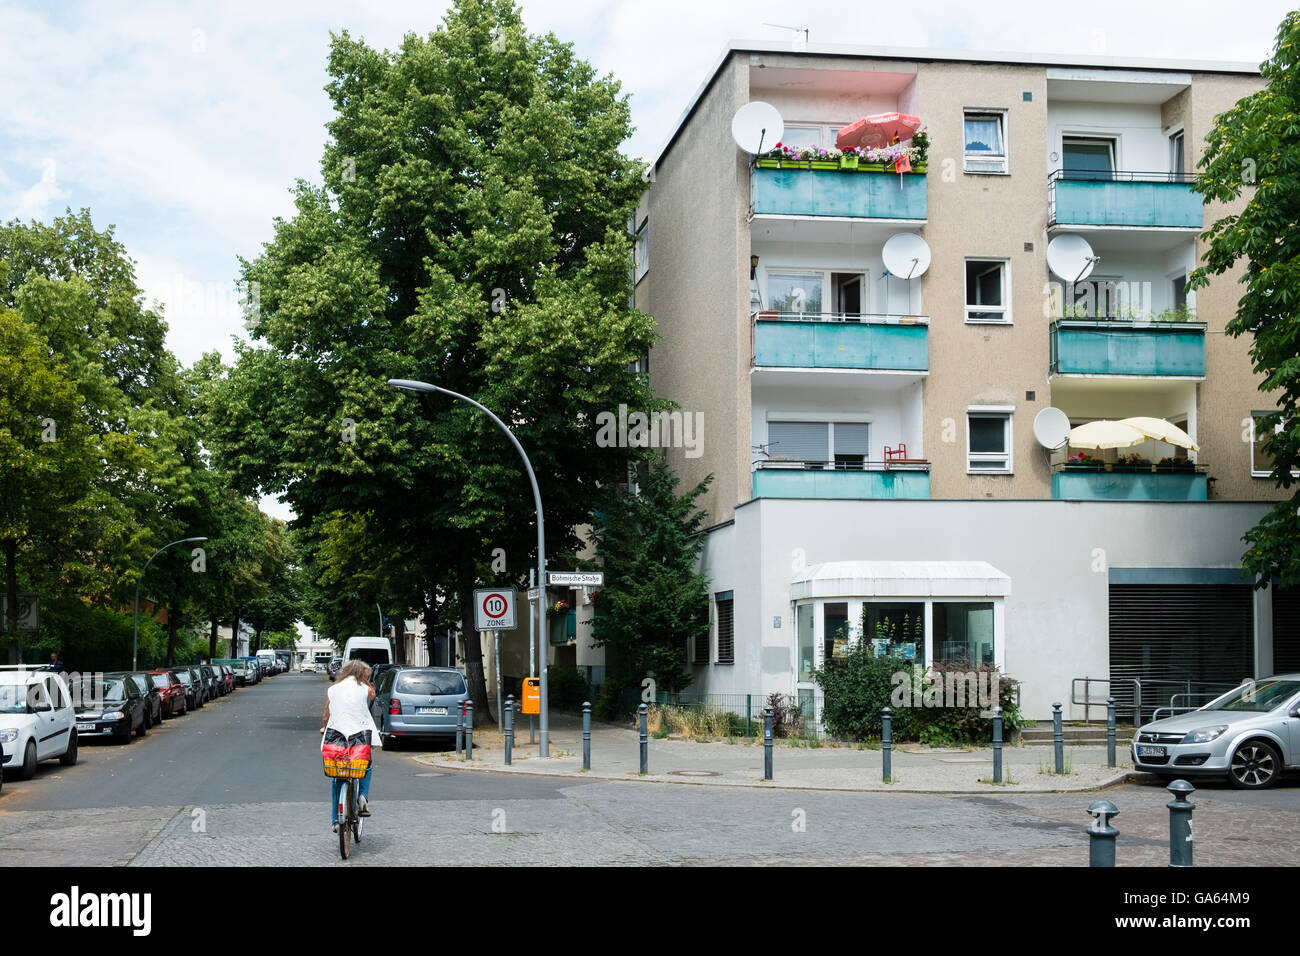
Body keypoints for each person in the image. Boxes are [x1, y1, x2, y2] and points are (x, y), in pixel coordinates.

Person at [320, 659, 382, 832]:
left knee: (337, 775)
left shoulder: (332, 689)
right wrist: (365, 682)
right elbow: (373, 695)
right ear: (362, 674)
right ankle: (362, 796)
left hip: (336, 736)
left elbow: (327, 714)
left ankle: (335, 820)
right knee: (365, 765)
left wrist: (324, 727)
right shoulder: (365, 689)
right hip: (360, 735)